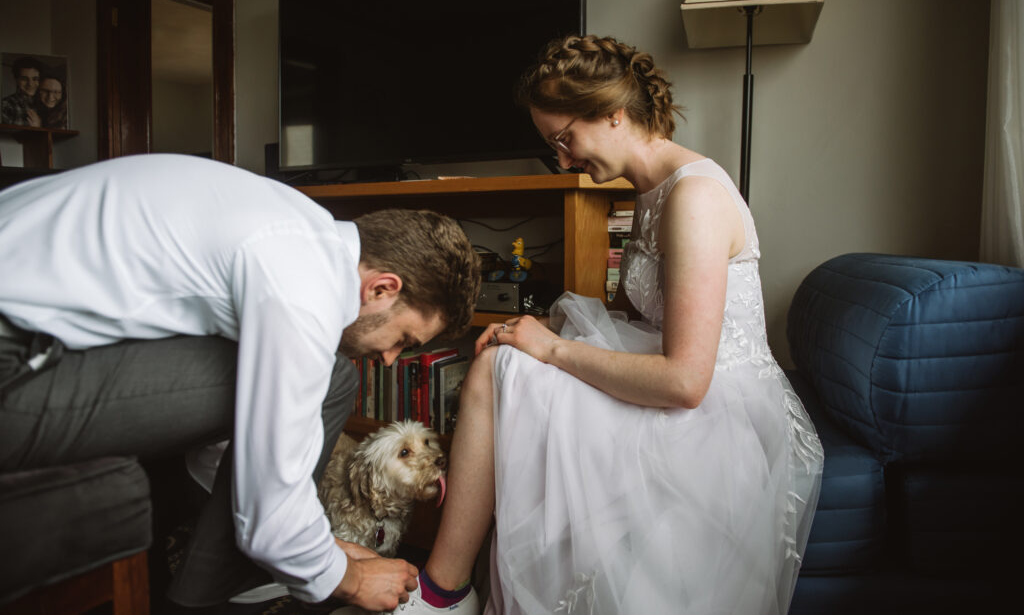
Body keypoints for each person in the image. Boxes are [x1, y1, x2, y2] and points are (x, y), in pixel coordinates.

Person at [394, 35, 824, 615]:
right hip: (681, 385)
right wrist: (534, 329)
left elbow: (685, 382)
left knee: (505, 369)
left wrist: (550, 350)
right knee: (504, 357)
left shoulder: (693, 197)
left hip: (712, 411)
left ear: (614, 115)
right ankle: (446, 589)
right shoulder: (648, 192)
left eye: (565, 139)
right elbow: (635, 317)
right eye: (555, 148)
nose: (565, 160)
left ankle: (443, 593)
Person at [0, 153, 481, 612]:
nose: (393, 358)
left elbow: (245, 447)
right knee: (330, 376)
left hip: (46, 335)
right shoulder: (300, 287)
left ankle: (214, 587)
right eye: (404, 338)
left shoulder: (300, 226)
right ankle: (217, 597)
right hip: (13, 357)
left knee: (330, 375)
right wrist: (345, 577)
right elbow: (268, 509)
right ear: (381, 288)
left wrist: (309, 540)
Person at [1, 56, 43, 127]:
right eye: (24, 79)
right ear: (16, 80)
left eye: (35, 79)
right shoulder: (5, 105)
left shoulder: (45, 103)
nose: (30, 84)